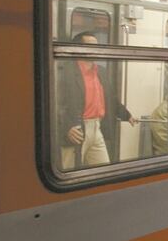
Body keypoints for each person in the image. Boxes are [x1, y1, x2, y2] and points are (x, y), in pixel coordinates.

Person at [57, 31, 137, 170]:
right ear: (79, 49)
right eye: (90, 45)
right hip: (76, 128)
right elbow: (55, 103)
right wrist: (66, 127)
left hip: (96, 127)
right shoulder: (65, 71)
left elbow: (110, 98)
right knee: (69, 172)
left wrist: (126, 114)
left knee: (102, 170)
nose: (95, 49)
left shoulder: (101, 71)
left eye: (96, 45)